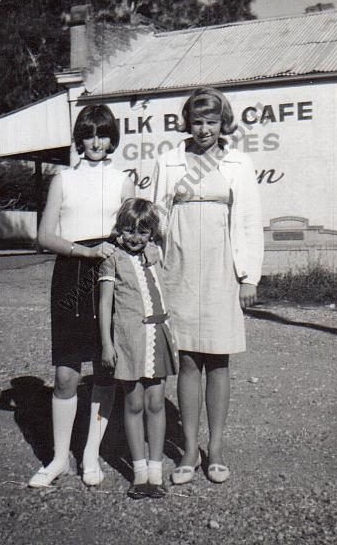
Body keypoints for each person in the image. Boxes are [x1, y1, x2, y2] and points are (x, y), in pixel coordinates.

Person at [152, 87, 263, 485]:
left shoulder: (237, 160)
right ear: (187, 123)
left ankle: (214, 450)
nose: (203, 129)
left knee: (218, 359)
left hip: (221, 269)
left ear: (222, 124)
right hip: (178, 269)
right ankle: (186, 450)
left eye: (211, 122)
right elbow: (155, 215)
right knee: (185, 360)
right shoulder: (168, 160)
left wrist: (249, 276)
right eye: (197, 121)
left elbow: (249, 220)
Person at [28, 104, 135, 488]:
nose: (96, 142)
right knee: (66, 374)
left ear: (112, 138)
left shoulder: (123, 179)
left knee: (105, 368)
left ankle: (90, 455)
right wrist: (84, 251)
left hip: (110, 273)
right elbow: (44, 236)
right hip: (73, 274)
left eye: (103, 134)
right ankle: (58, 459)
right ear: (79, 138)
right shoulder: (63, 179)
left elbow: (131, 232)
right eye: (89, 134)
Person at [99, 198, 178, 499]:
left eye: (143, 232)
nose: (135, 237)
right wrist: (107, 344)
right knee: (133, 404)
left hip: (157, 336)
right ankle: (139, 472)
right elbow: (105, 304)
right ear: (119, 230)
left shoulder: (155, 255)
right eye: (129, 230)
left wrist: (155, 246)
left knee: (156, 403)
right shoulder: (112, 259)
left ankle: (155, 473)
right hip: (129, 341)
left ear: (152, 234)